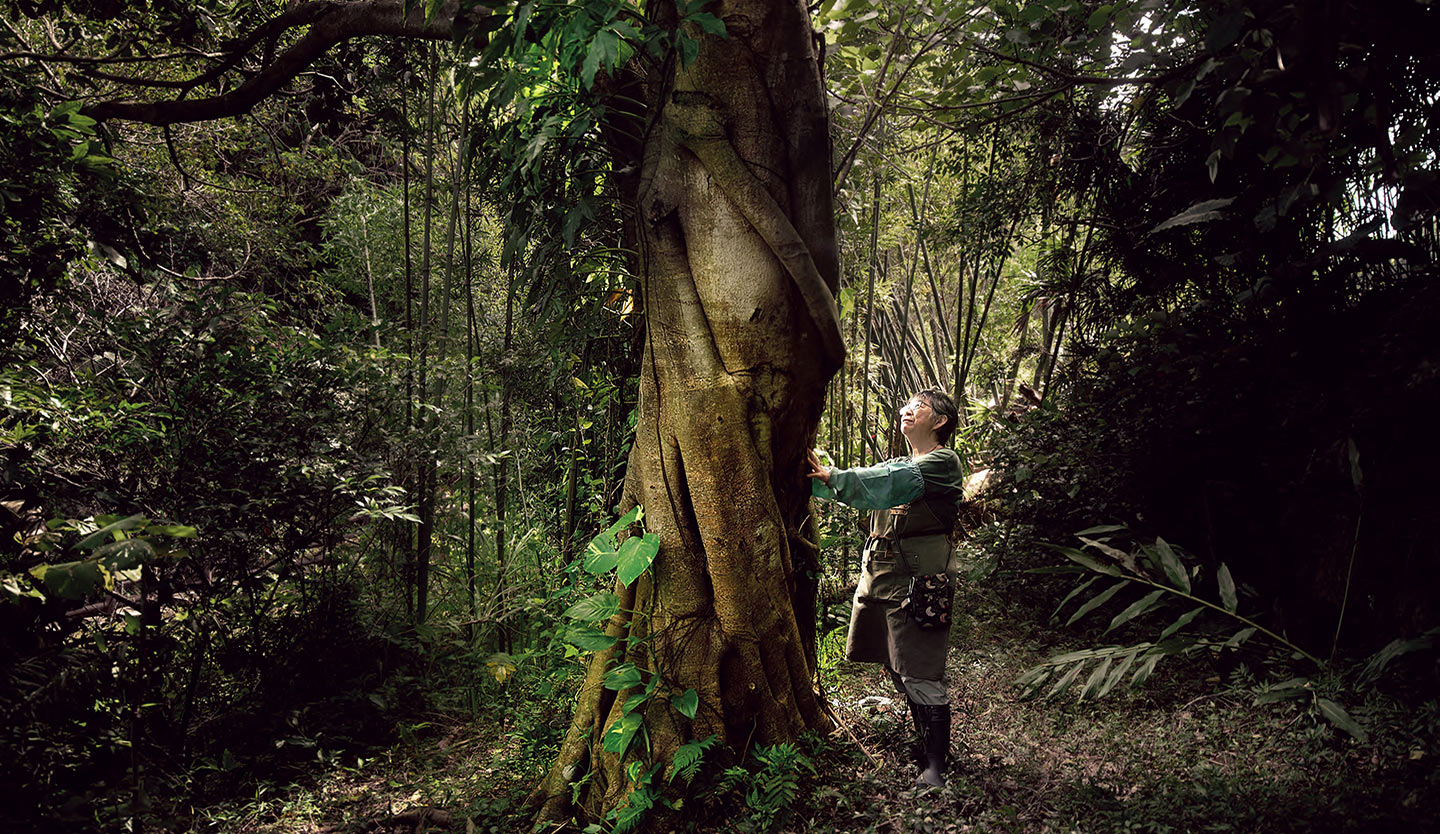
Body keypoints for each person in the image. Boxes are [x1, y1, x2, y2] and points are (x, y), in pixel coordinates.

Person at [807, 388, 966, 788]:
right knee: (897, 666)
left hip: (918, 583)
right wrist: (819, 479)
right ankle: (924, 743)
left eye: (918, 407)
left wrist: (837, 478)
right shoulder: (903, 462)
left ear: (940, 421)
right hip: (882, 577)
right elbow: (867, 487)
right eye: (907, 405)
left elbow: (886, 483)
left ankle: (935, 765)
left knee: (920, 670)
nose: (906, 410)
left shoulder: (941, 463)